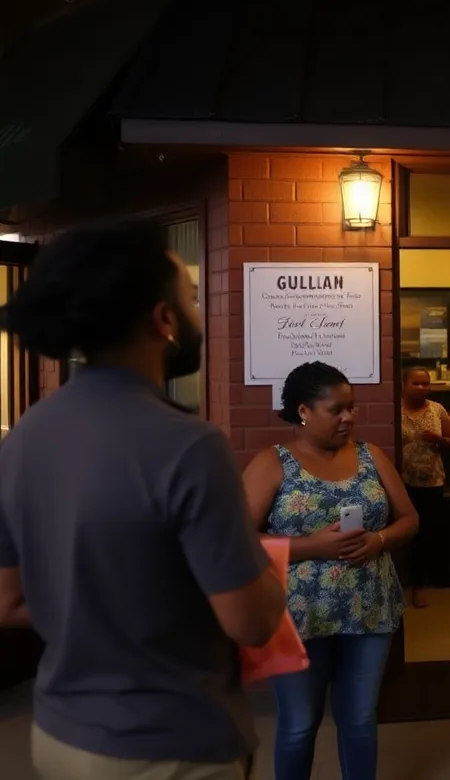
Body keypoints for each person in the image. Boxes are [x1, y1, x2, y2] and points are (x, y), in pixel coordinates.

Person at [0, 222, 283, 780]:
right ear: (165, 320)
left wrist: (103, 608)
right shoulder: (190, 445)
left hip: (58, 735)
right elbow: (251, 621)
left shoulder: (26, 434)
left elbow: (6, 602)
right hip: (168, 747)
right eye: (193, 298)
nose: (200, 312)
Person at [243, 361, 418, 780]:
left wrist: (378, 541)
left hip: (369, 608)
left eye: (352, 408)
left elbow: (409, 519)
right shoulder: (273, 463)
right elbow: (236, 538)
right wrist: (311, 546)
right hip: (298, 615)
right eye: (336, 409)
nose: (348, 417)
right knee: (300, 723)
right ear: (303, 411)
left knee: (359, 719)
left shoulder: (369, 455)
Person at [400, 366, 450, 608]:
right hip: (402, 481)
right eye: (417, 383)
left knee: (426, 534)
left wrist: (438, 439)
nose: (422, 387)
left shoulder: (437, 409)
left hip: (432, 479)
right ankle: (403, 582)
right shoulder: (394, 410)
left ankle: (421, 585)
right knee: (405, 534)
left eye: (426, 383)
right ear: (403, 385)